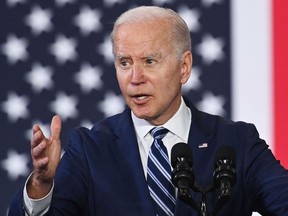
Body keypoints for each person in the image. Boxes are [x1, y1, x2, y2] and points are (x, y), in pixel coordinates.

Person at [8, 5, 288, 216]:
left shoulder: (236, 143)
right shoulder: (90, 150)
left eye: (150, 61)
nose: (135, 77)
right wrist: (41, 186)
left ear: (184, 67)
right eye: (125, 62)